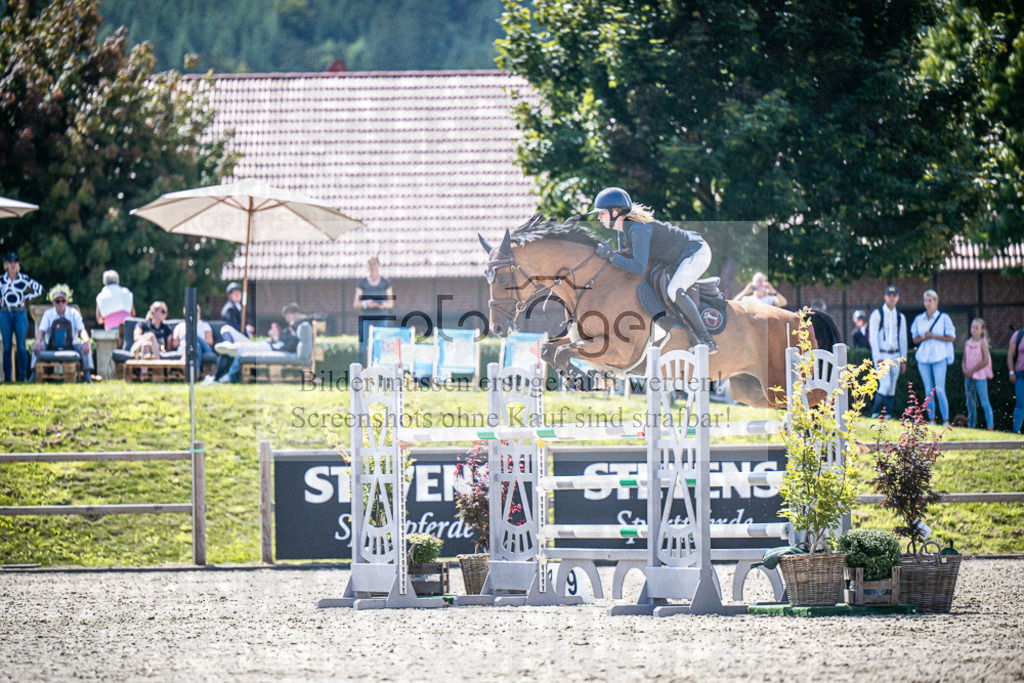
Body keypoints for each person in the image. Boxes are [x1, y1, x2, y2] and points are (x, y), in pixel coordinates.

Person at [590, 186, 717, 353]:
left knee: (674, 290)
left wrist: (611, 256)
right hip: (676, 257)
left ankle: (707, 340)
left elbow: (638, 267)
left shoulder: (638, 228)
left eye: (602, 213)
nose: (598, 217)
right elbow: (625, 263)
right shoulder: (623, 230)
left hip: (695, 252)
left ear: (616, 212)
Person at [211, 303, 305, 384]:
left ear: (296, 314)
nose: (286, 319)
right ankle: (229, 344)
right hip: (267, 344)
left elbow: (288, 347)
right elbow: (281, 342)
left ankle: (227, 371)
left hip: (269, 348)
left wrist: (293, 335)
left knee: (243, 350)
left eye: (288, 316)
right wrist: (275, 337)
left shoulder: (299, 328)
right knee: (226, 328)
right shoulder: (289, 329)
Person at [31, 284, 95, 382]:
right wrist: (38, 342)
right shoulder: (48, 314)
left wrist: (85, 341)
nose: (60, 303)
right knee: (37, 345)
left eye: (63, 301)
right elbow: (41, 331)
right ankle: (34, 373)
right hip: (51, 346)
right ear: (53, 302)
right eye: (57, 301)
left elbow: (81, 330)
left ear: (66, 302)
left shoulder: (73, 313)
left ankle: (87, 374)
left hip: (72, 345)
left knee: (86, 345)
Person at [911, 289, 956, 427]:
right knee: (928, 390)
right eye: (926, 300)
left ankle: (946, 420)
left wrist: (934, 336)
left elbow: (951, 337)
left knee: (940, 389)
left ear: (936, 301)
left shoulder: (944, 318)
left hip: (939, 357)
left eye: (930, 300)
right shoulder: (919, 319)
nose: (928, 303)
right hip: (923, 358)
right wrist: (923, 337)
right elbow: (914, 339)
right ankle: (932, 420)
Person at [1, 252, 44, 382]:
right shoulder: (1, 279)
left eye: (15, 261)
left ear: (18, 264)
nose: (13, 264)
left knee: (21, 346)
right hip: (5, 313)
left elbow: (40, 289)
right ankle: (7, 378)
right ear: (6, 264)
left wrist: (27, 297)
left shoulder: (24, 279)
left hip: (20, 313)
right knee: (7, 347)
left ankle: (22, 377)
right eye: (10, 261)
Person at [868, 285, 908, 419]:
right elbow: (873, 338)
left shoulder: (900, 317)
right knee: (884, 384)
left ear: (897, 298)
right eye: (889, 296)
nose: (891, 298)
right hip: (882, 354)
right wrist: (877, 357)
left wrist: (903, 359)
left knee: (892, 387)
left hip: (895, 354)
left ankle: (888, 415)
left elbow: (903, 339)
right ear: (885, 297)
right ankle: (875, 413)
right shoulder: (877, 314)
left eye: (894, 296)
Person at [354, 256, 394, 364]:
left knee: (378, 345)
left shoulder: (386, 282)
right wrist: (365, 304)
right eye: (370, 263)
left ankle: (378, 368)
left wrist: (384, 305)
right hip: (366, 318)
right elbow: (356, 304)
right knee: (362, 346)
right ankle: (360, 368)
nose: (373, 266)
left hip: (381, 318)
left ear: (379, 265)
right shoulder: (362, 283)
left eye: (374, 263)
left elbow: (391, 303)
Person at [215, 282, 255, 379]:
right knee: (228, 350)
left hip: (238, 339)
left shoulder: (238, 308)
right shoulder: (229, 309)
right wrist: (245, 329)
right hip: (230, 337)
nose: (238, 295)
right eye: (235, 293)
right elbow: (233, 326)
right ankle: (224, 376)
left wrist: (247, 330)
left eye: (239, 293)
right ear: (230, 295)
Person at [962, 318, 994, 431]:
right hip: (968, 377)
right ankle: (971, 426)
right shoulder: (967, 343)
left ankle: (990, 426)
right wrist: (965, 370)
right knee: (970, 402)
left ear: (982, 330)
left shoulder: (983, 343)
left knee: (984, 402)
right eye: (972, 327)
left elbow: (985, 361)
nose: (974, 329)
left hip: (980, 376)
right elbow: (964, 359)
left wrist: (973, 370)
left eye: (977, 327)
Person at [168, 305, 214, 377]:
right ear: (185, 312)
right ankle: (196, 373)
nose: (194, 313)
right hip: (184, 347)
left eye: (196, 311)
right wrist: (186, 343)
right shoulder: (180, 326)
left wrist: (192, 340)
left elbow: (210, 341)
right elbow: (174, 344)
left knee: (195, 339)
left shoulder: (204, 325)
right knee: (196, 345)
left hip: (204, 348)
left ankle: (185, 361)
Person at [1008, 325, 1024, 433]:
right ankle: (1016, 431)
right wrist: (1011, 372)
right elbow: (1010, 355)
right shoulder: (1018, 335)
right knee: (1020, 403)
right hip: (1020, 374)